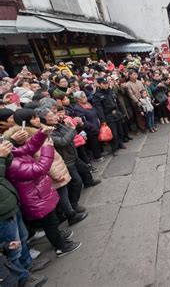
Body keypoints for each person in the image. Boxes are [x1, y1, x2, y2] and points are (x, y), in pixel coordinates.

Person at [6, 128, 82, 258]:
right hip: (35, 197)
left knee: (52, 220)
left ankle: (59, 239)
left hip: (39, 193)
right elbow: (39, 169)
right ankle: (60, 247)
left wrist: (42, 134)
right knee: (50, 223)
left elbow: (29, 148)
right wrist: (47, 148)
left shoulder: (12, 154)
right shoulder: (12, 163)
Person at [0, 140, 48, 286]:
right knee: (12, 249)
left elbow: (6, 166)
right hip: (3, 214)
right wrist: (1, 157)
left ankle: (28, 265)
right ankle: (22, 279)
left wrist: (6, 153)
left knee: (22, 237)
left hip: (9, 204)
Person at [93, 77, 126, 156]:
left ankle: (120, 143)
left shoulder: (111, 91)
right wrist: (103, 120)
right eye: (104, 83)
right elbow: (99, 109)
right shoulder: (97, 95)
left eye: (106, 83)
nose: (106, 85)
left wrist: (122, 112)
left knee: (119, 130)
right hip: (108, 115)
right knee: (113, 133)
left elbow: (118, 102)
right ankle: (114, 148)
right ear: (99, 84)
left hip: (116, 113)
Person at [72, 91, 103, 162]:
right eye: (83, 97)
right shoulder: (77, 108)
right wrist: (91, 126)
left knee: (97, 141)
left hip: (95, 123)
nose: (85, 98)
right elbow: (82, 121)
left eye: (85, 96)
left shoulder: (88, 104)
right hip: (90, 128)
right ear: (78, 99)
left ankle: (100, 152)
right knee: (93, 142)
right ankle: (97, 156)